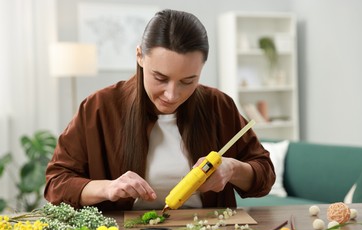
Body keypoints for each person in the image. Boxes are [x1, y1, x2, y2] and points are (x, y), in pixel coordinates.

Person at [44, 9, 275, 212]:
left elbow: (264, 173)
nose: (172, 95)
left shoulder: (219, 105)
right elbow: (56, 184)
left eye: (188, 81)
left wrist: (232, 169)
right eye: (160, 78)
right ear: (139, 56)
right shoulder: (99, 108)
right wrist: (107, 188)